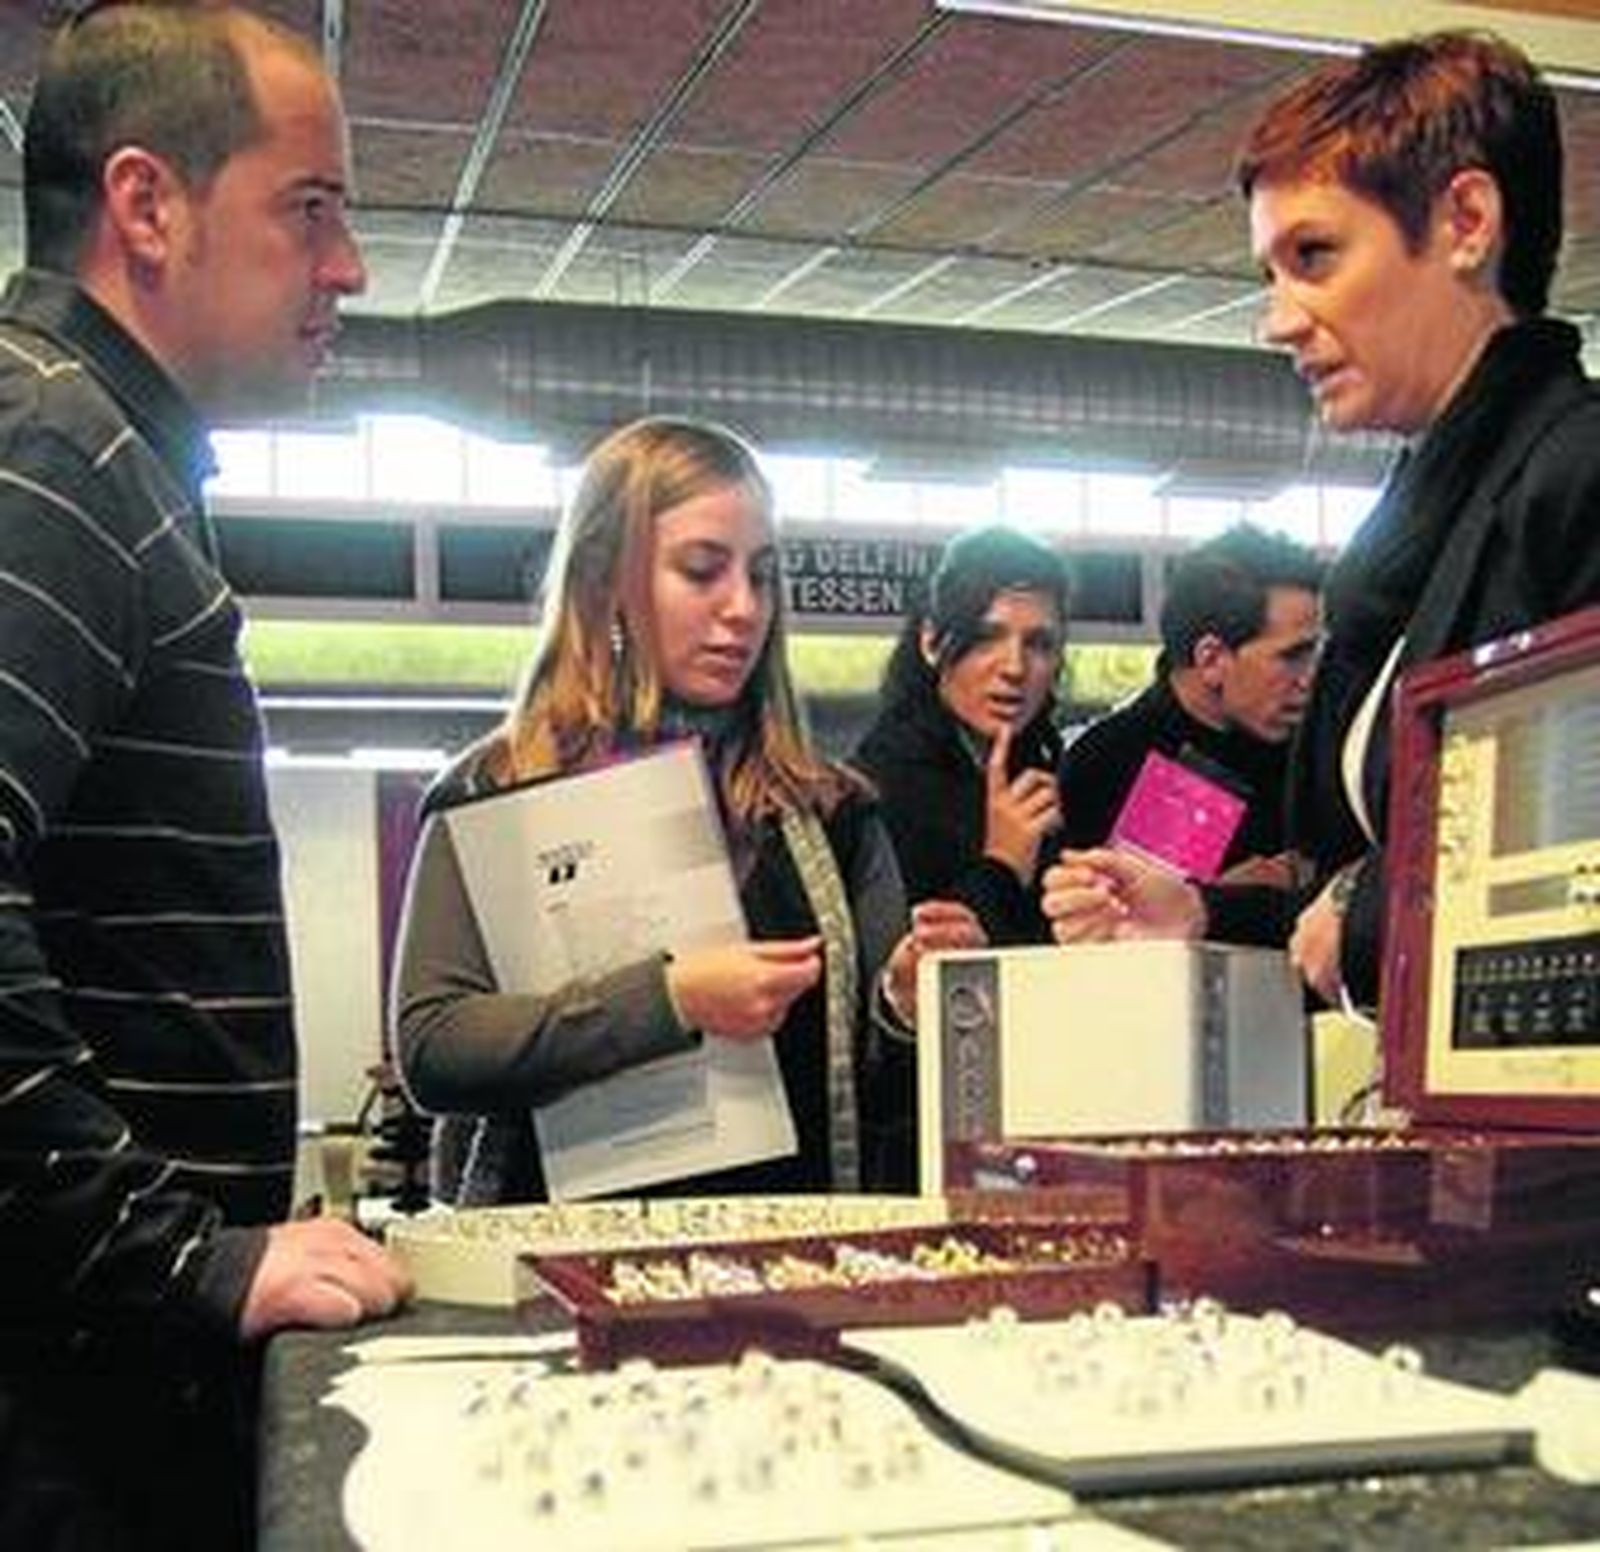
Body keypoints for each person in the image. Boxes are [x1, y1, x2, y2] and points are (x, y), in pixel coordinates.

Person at [0, 7, 411, 1548]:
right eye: (310, 209)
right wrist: (179, 1256)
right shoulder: (59, 453)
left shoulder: (99, 451)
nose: (348, 268)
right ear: (147, 206)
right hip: (65, 1404)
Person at [1043, 30, 1600, 1015]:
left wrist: (1364, 918)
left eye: (1315, 256)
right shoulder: (1425, 530)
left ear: (1466, 220)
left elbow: (1557, 870)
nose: (1279, 319)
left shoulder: (1573, 477)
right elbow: (1357, 889)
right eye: (1271, 273)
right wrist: (1204, 913)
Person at [392, 416, 981, 1203]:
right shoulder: (500, 790)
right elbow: (434, 1047)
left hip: (781, 1269)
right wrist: (669, 999)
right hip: (550, 1278)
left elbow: (876, 1090)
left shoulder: (831, 813)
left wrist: (908, 1004)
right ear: (605, 580)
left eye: (763, 576)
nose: (743, 608)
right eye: (703, 571)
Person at [1055, 524, 1323, 942]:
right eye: (1291, 658)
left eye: (1313, 656)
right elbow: (1101, 939)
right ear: (1212, 658)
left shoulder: (1312, 752)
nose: (1309, 680)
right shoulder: (1110, 762)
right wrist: (1218, 901)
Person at [851, 526, 1068, 945]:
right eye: (987, 637)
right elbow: (902, 973)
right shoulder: (876, 790)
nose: (1015, 667)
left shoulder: (1050, 779)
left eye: (1039, 644)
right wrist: (1002, 865)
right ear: (932, 642)